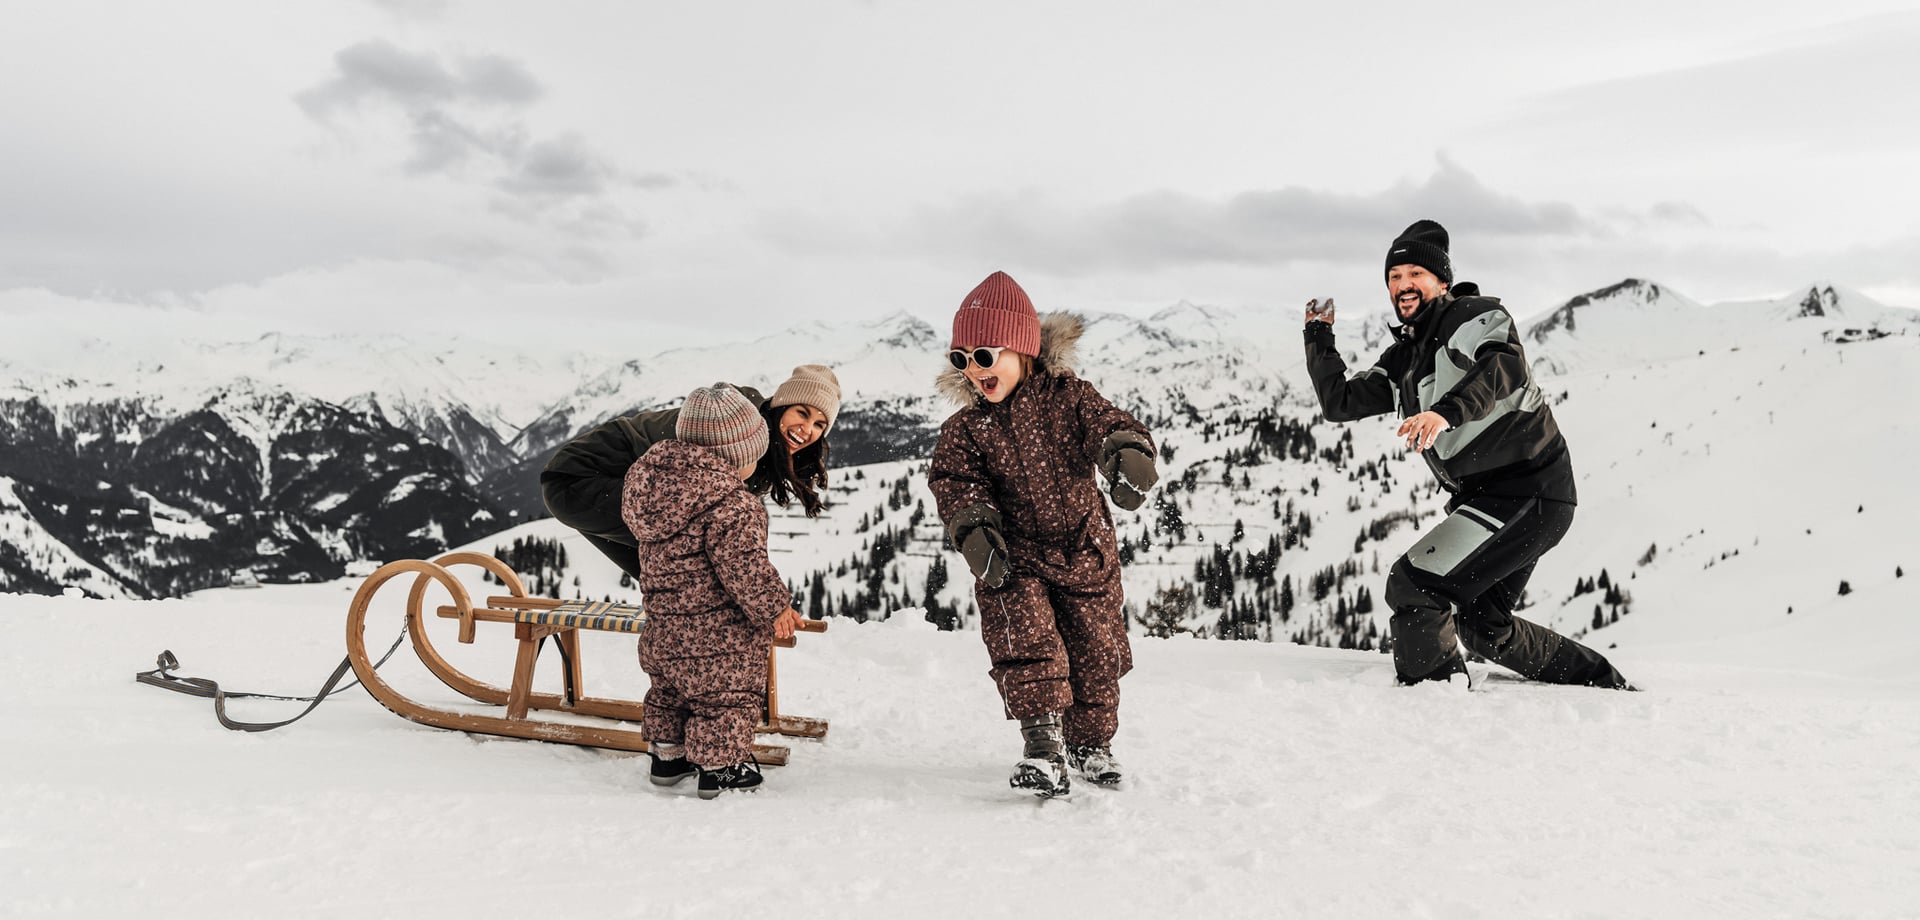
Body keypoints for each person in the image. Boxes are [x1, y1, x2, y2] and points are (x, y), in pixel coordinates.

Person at [1302, 219, 1633, 690]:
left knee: (1414, 584)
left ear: (1442, 280)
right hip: (1493, 499)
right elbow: (1341, 403)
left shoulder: (1475, 316)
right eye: (1395, 277)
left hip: (1529, 490)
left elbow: (1503, 366)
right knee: (1483, 627)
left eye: (1415, 273)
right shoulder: (1404, 359)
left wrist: (1445, 412)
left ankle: (1435, 703)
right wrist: (1318, 337)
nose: (1403, 285)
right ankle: (1604, 687)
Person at [927, 271, 1161, 797]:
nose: (972, 371)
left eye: (984, 356)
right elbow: (956, 482)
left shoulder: (1069, 398)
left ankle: (1091, 744)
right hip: (1014, 558)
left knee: (1096, 654)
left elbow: (1106, 423)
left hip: (1083, 548)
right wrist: (975, 530)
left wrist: (1126, 453)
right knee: (1028, 644)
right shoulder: (966, 429)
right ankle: (1043, 749)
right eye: (961, 359)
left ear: (1023, 349)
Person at [621, 384, 806, 798]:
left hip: (664, 631)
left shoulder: (653, 491)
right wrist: (776, 607)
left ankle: (667, 759)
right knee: (725, 700)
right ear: (737, 456)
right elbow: (744, 566)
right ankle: (719, 770)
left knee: (669, 693)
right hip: (718, 636)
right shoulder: (732, 505)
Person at [541, 365, 840, 578]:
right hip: (582, 477)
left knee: (674, 578)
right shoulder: (733, 427)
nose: (807, 429)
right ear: (781, 405)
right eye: (802, 413)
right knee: (693, 564)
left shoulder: (766, 443)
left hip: (617, 484)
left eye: (819, 424)